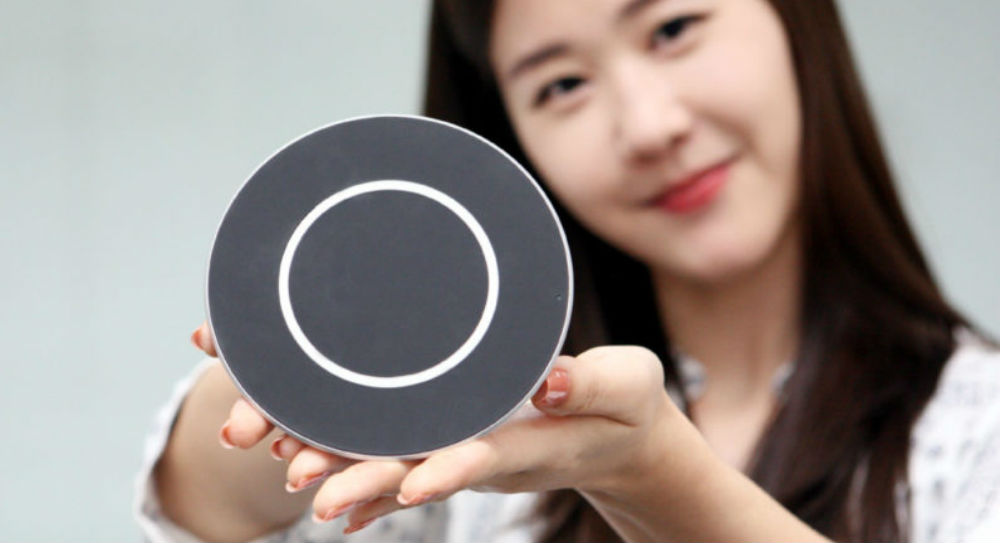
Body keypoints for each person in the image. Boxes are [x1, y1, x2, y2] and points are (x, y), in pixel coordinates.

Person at [134, 0, 1000, 541]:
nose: (648, 126)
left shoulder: (977, 433)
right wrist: (293, 361)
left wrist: (655, 477)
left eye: (672, 29)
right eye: (561, 86)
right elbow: (202, 511)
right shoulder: (470, 432)